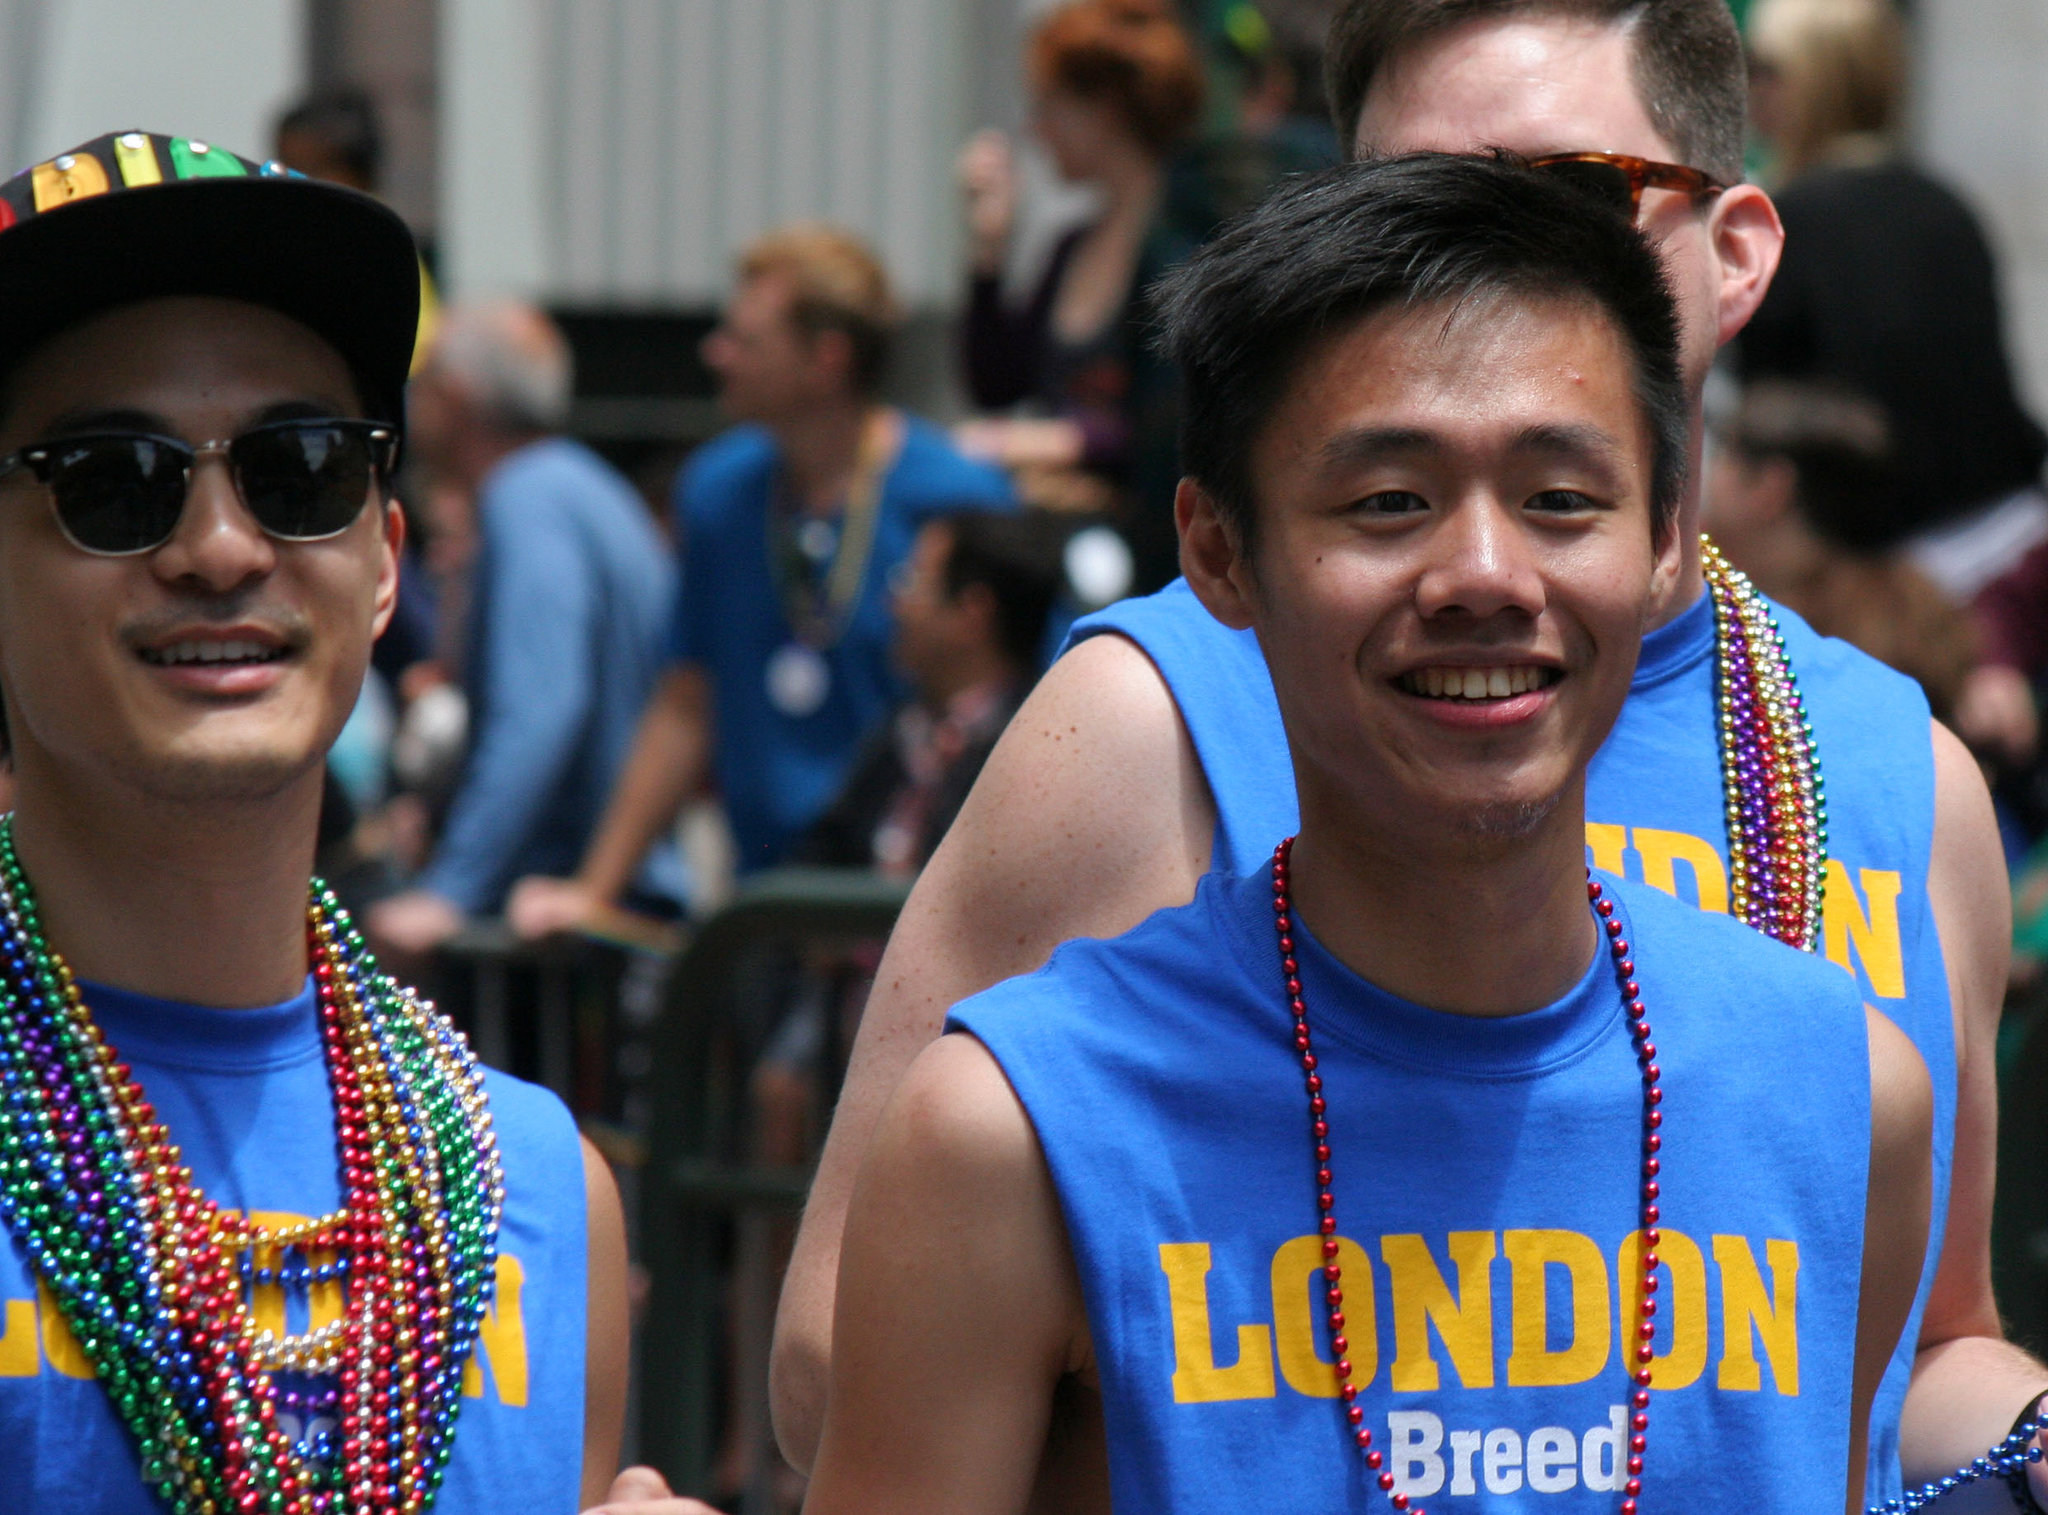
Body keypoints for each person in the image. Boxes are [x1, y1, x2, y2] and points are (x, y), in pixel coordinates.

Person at [770, 0, 2032, 1504]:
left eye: (1555, 201)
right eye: (1399, 209)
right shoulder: (1157, 713)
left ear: (1737, 249)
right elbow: (863, 1353)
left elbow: (1912, 1352)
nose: (1467, 268)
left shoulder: (1891, 786)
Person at [0, 131, 626, 1510]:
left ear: (386, 559)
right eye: (113, 477)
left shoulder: (536, 1187)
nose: (221, 546)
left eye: (299, 465)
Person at [507, 226, 1013, 938]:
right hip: (765, 913)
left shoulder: (961, 500)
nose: (716, 353)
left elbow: (1014, 710)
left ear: (826, 358)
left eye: (745, 339)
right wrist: (595, 889)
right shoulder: (716, 492)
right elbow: (687, 702)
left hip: (921, 912)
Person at [365, 302, 678, 959]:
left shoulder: (527, 498)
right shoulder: (572, 485)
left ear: (458, 395)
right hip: (593, 904)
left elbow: (540, 709)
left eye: (426, 381)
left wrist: (451, 889)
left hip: (575, 922)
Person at [1740, 0, 2048, 593]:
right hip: (2008, 539)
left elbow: (1774, 421)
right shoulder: (1945, 201)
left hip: (1880, 574)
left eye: (1769, 69)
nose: (1756, 92)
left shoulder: (1793, 221)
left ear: (1819, 77)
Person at [956, 0, 1203, 586]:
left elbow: (1170, 421)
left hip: (1151, 555)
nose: (1035, 129)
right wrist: (989, 250)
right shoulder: (1071, 243)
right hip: (1060, 547)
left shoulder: (1186, 245)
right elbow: (996, 383)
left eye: (1048, 105)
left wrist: (1042, 441)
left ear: (1105, 106)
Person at [794, 509, 1065, 874]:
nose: (895, 602)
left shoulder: (1036, 754)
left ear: (973, 612)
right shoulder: (898, 735)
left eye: (913, 581)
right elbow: (816, 864)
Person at [1704, 380, 1977, 724]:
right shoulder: (1915, 614)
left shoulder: (1760, 632)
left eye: (1724, 458)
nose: (1708, 477)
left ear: (1772, 489)